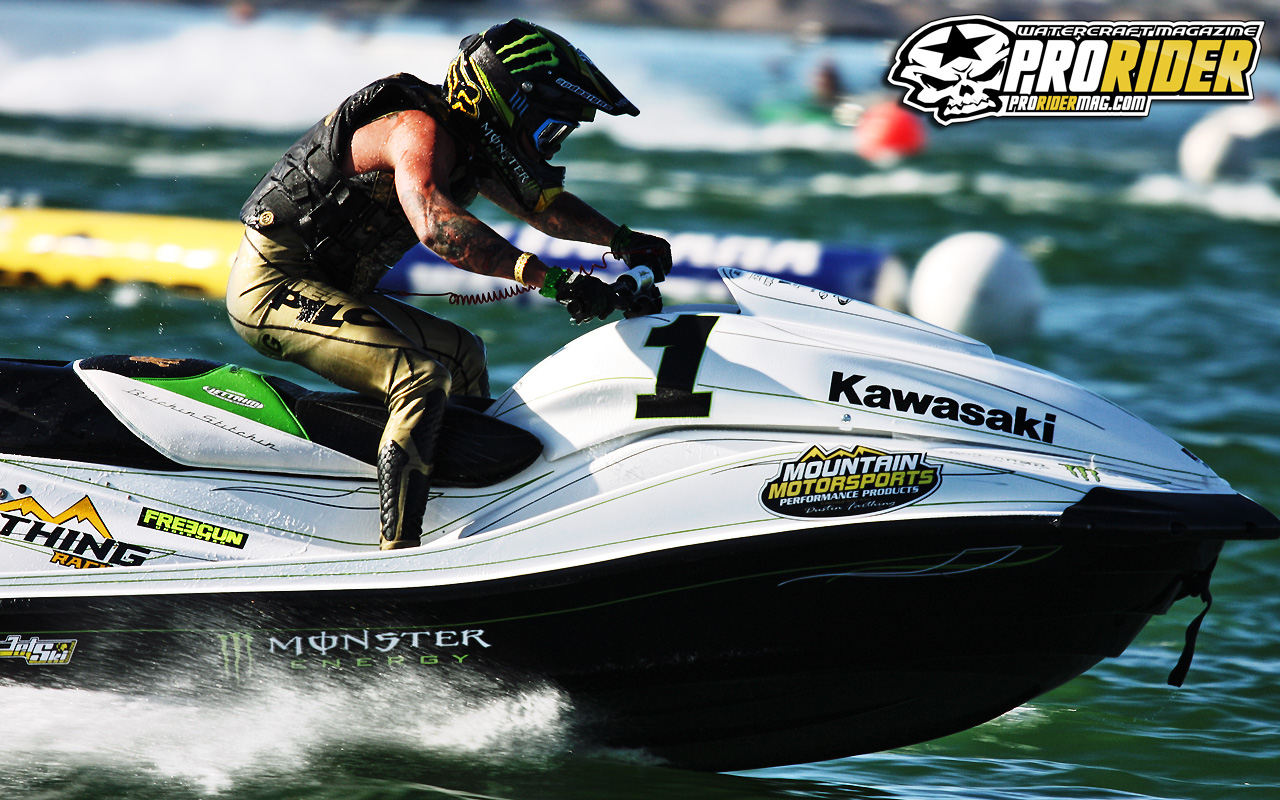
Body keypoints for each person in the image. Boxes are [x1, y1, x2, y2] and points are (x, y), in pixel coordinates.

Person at [226, 19, 672, 551]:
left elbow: (543, 208)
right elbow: (437, 226)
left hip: (331, 287)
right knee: (419, 379)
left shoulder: (471, 148)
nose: (552, 144)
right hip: (273, 284)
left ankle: (473, 512)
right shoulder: (418, 129)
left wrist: (624, 240)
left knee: (464, 356)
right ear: (509, 100)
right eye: (549, 128)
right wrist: (550, 279)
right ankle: (399, 551)